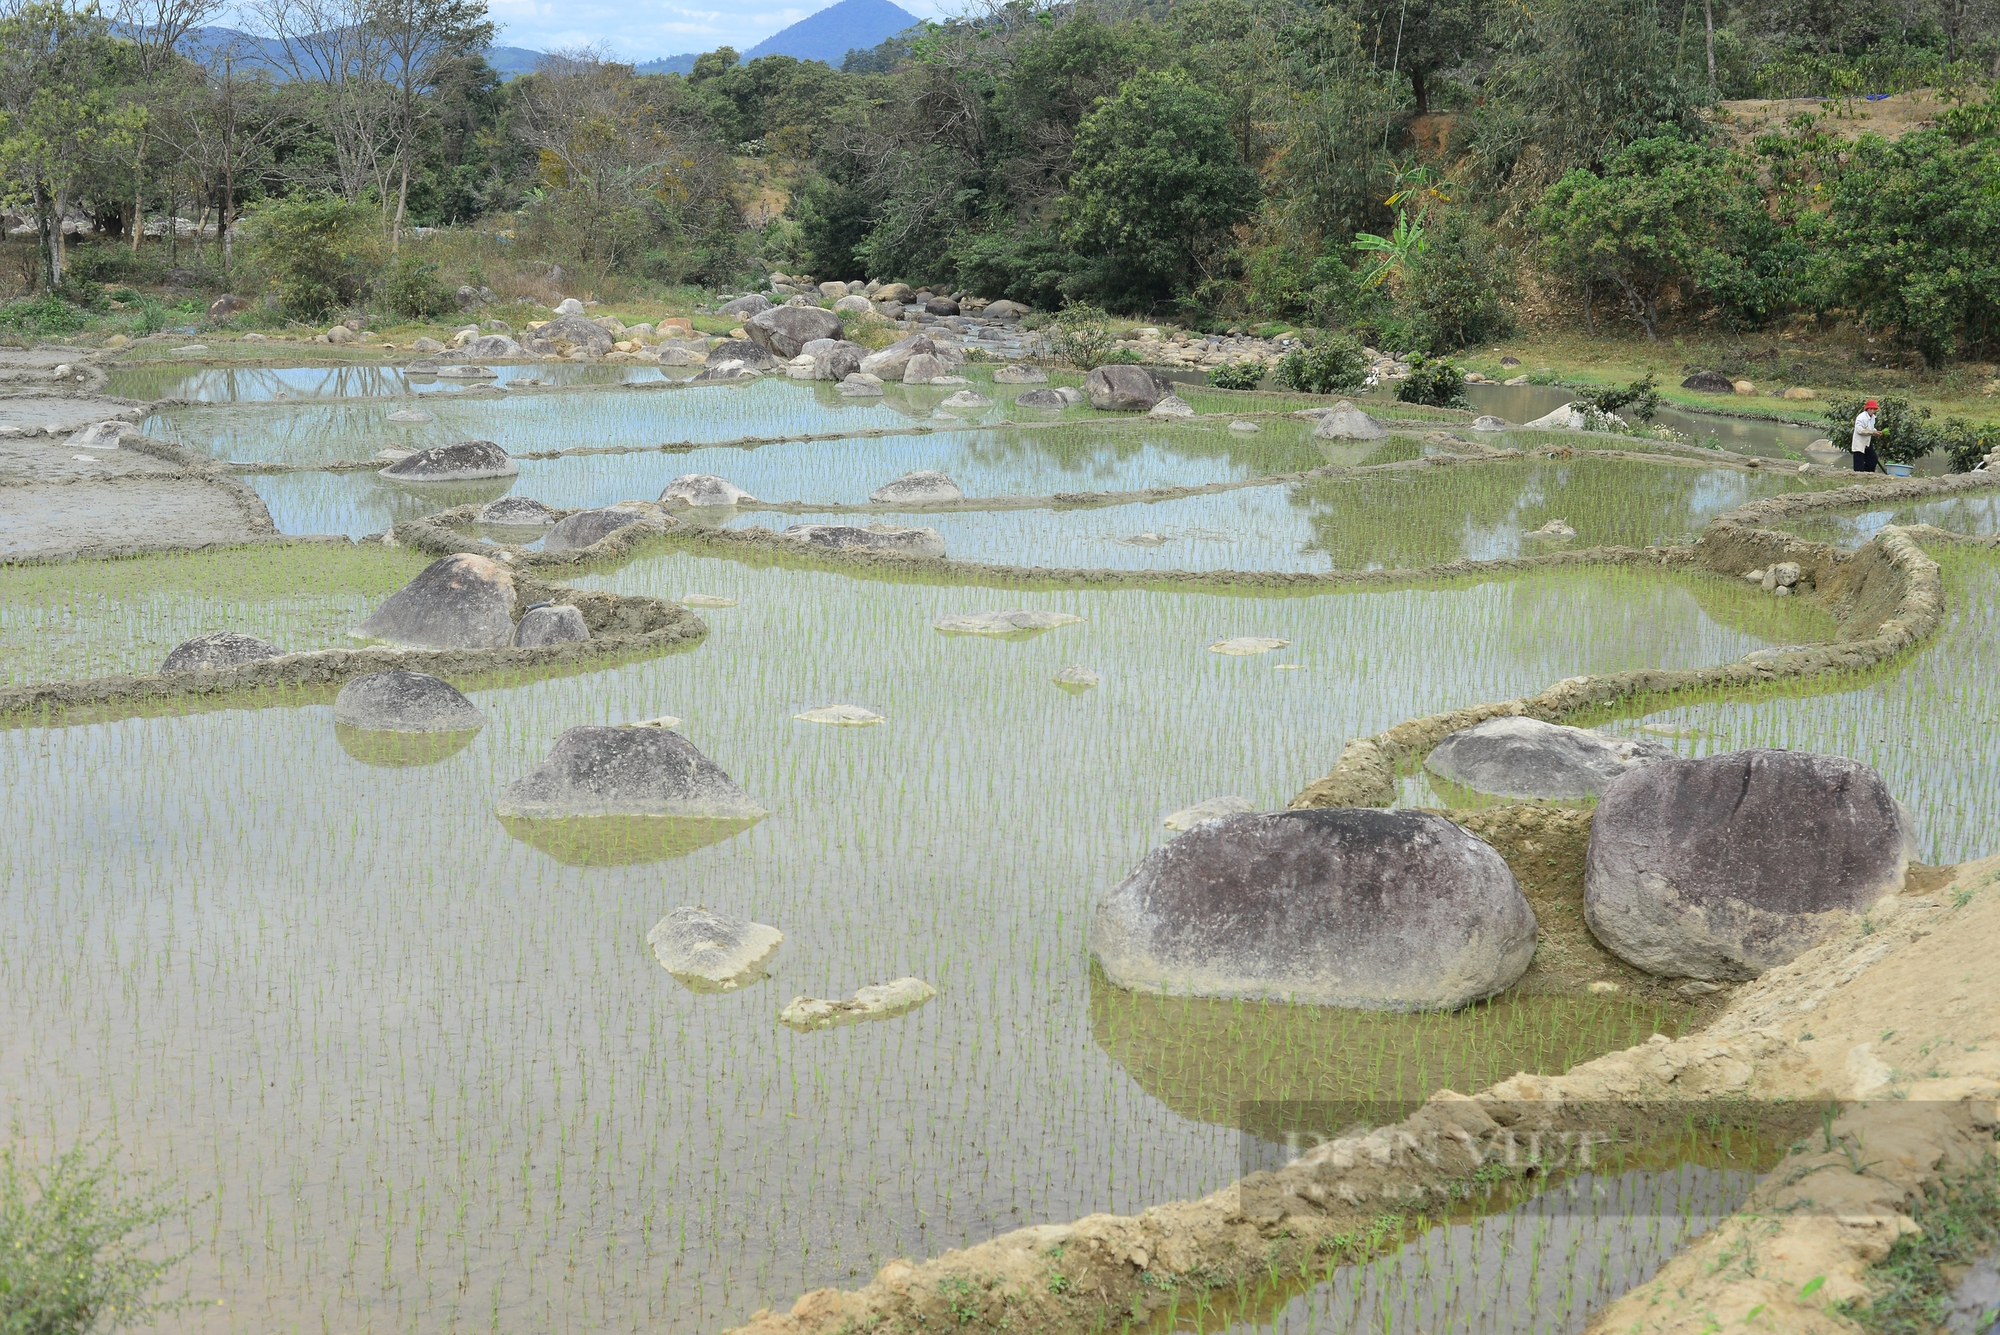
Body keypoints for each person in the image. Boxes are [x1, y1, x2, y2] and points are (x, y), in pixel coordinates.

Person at [1852, 399, 1883, 472]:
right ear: (1867, 409)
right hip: (1859, 442)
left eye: (1874, 409)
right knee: (1859, 463)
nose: (1872, 411)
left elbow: (1871, 428)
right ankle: (1859, 476)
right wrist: (1872, 432)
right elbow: (1859, 430)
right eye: (1871, 409)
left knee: (1873, 459)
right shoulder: (1861, 417)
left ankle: (1867, 474)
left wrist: (1876, 431)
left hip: (1866, 442)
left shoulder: (1873, 418)